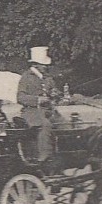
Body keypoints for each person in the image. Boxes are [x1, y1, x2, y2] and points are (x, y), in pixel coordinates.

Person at [17, 46, 64, 174]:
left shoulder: (48, 78)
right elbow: (20, 97)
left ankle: (63, 156)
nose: (46, 67)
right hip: (31, 113)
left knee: (65, 124)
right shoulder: (26, 77)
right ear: (36, 65)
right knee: (46, 125)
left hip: (49, 111)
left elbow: (55, 92)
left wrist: (56, 94)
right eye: (44, 65)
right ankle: (45, 157)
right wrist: (38, 100)